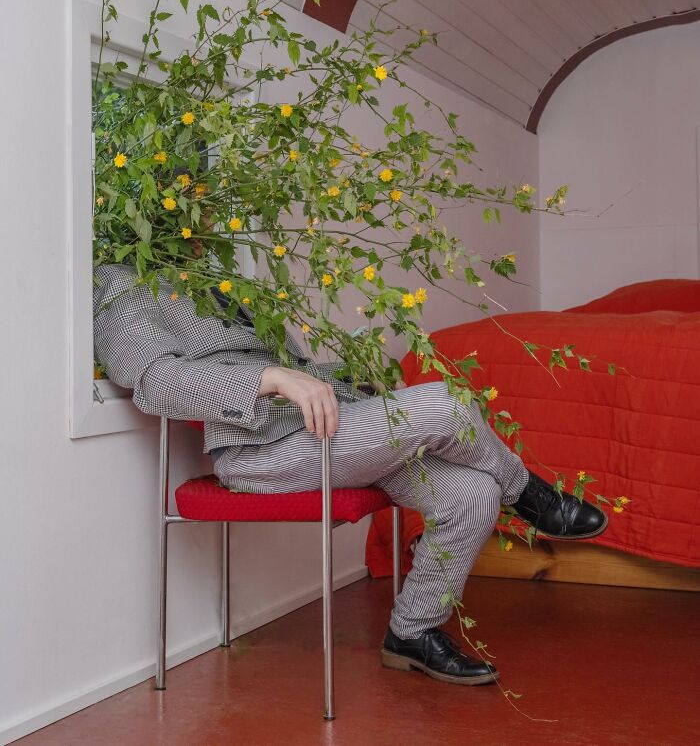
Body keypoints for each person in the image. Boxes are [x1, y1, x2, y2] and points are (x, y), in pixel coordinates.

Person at [93, 262, 607, 686]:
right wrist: (269, 376)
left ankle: (412, 633)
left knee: (473, 493)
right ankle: (532, 497)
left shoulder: (212, 274)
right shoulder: (118, 282)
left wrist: (342, 374)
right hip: (261, 452)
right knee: (445, 402)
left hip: (328, 433)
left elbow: (295, 370)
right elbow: (153, 380)